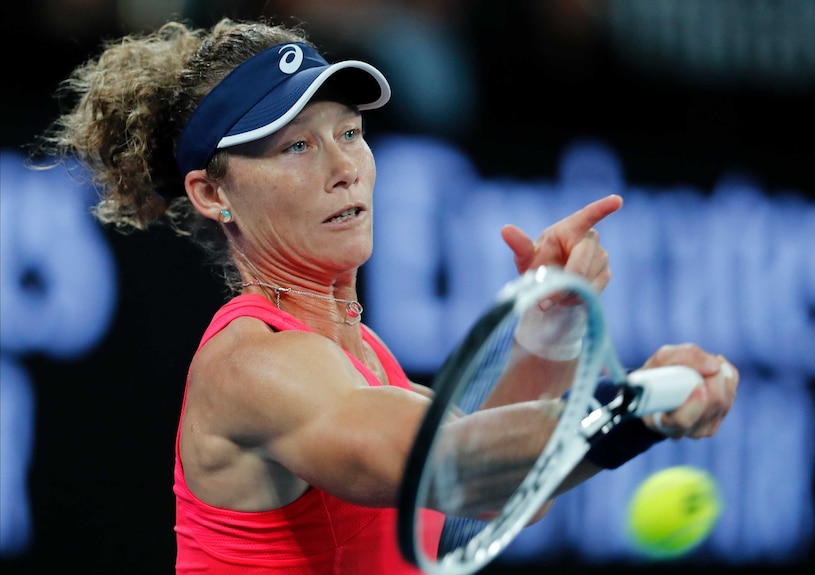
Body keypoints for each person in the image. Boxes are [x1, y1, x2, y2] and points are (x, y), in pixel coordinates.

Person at [34, 17, 738, 575]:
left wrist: (548, 333)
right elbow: (445, 465)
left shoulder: (366, 357)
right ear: (213, 193)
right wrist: (635, 405)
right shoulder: (252, 364)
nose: (346, 169)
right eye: (296, 148)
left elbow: (484, 500)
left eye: (350, 134)